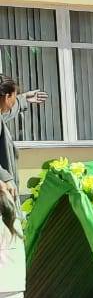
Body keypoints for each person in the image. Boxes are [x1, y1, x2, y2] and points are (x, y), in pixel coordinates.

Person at [1, 81, 48, 214]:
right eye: (14, 96)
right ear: (6, 97)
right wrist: (5, 178)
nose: (14, 100)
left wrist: (23, 98)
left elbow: (8, 112)